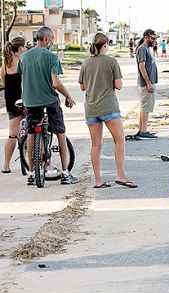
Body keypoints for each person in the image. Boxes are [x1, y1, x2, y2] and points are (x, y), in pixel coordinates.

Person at [18, 26, 77, 185]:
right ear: (45, 39)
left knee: (30, 134)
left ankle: (31, 173)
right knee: (60, 133)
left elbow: (23, 81)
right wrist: (68, 97)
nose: (52, 42)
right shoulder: (51, 57)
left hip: (30, 102)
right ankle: (65, 173)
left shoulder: (24, 57)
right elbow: (56, 83)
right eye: (51, 39)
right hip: (49, 101)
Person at [79, 33, 136, 189]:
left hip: (91, 108)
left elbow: (82, 87)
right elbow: (118, 85)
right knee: (119, 140)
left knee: (95, 145)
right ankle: (121, 176)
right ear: (105, 45)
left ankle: (98, 180)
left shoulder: (86, 63)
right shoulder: (111, 61)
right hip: (108, 107)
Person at [2, 37, 27, 174]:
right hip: (24, 99)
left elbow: (5, 84)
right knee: (33, 130)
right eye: (24, 47)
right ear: (20, 48)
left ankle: (6, 165)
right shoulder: (22, 62)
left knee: (12, 134)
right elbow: (25, 82)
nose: (26, 49)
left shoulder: (5, 65)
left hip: (11, 102)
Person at [134, 29, 158, 139]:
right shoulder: (142, 49)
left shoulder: (147, 49)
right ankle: (143, 130)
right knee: (146, 107)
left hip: (149, 82)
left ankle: (141, 130)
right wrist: (148, 83)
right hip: (145, 84)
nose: (154, 40)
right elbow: (141, 66)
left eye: (155, 38)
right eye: (152, 38)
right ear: (146, 37)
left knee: (145, 107)